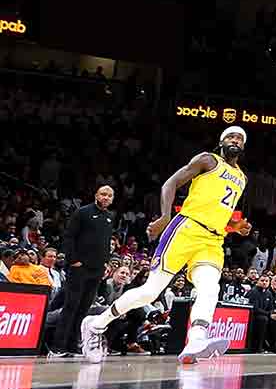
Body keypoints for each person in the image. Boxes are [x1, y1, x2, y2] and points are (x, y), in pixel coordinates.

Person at [79, 127, 251, 364]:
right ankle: (96, 325)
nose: (236, 140)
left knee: (210, 287)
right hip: (186, 229)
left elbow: (218, 210)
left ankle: (196, 339)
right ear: (221, 141)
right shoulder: (207, 160)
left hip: (212, 240)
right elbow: (170, 184)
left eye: (240, 139)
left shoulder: (242, 177)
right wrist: (164, 216)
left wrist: (235, 225)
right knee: (151, 291)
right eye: (231, 136)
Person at [50, 184, 114, 357]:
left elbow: (106, 243)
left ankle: (72, 345)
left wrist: (105, 262)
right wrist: (73, 261)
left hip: (97, 270)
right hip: (79, 268)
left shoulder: (109, 217)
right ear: (96, 195)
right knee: (71, 306)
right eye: (103, 194)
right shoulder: (83, 212)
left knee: (83, 308)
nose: (106, 197)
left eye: (109, 195)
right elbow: (69, 236)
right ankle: (58, 346)